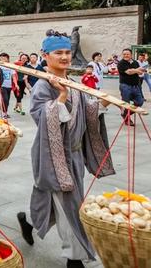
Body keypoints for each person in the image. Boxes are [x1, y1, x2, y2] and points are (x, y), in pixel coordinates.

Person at [17, 31, 114, 268]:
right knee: (69, 206)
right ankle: (74, 257)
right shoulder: (42, 85)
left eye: (68, 52)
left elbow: (84, 110)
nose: (64, 57)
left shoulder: (75, 83)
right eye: (58, 52)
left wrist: (100, 104)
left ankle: (28, 221)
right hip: (53, 155)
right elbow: (42, 117)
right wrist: (61, 96)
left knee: (52, 201)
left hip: (75, 154)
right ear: (45, 55)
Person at [117, 48, 145, 126]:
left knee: (140, 102)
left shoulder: (135, 62)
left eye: (127, 54)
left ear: (131, 55)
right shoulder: (121, 63)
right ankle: (127, 119)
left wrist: (140, 71)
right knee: (126, 103)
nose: (126, 55)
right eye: (124, 54)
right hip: (125, 86)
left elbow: (139, 73)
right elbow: (128, 72)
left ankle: (125, 114)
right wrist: (136, 70)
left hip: (136, 86)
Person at [0, 53, 14, 119]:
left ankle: (3, 109)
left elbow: (13, 75)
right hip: (2, 85)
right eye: (1, 58)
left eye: (5, 58)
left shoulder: (10, 66)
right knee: (5, 99)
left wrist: (15, 84)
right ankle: (5, 113)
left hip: (9, 85)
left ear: (8, 59)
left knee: (7, 99)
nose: (3, 59)